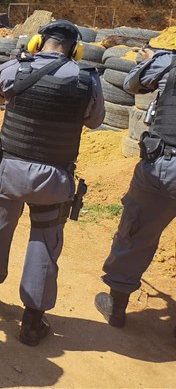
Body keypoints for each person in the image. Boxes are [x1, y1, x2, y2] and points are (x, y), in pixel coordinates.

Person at [0, 20, 105, 346]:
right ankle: (32, 322)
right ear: (76, 49)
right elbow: (95, 120)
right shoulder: (87, 80)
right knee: (44, 242)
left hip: (11, 171)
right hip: (54, 178)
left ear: (36, 43)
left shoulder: (14, 67)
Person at [95, 36, 175, 335]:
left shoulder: (167, 62)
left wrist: (147, 60)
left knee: (136, 231)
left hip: (166, 166)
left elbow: (131, 85)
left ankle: (116, 306)